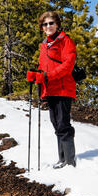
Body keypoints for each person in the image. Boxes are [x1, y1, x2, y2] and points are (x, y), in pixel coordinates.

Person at [27, 11, 77, 169]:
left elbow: (68, 66)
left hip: (63, 89)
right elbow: (43, 67)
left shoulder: (65, 41)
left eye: (51, 23)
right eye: (45, 24)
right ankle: (62, 159)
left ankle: (69, 161)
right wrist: (36, 76)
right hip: (50, 90)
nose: (48, 26)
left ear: (57, 24)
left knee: (63, 124)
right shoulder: (44, 45)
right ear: (42, 27)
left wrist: (48, 76)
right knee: (56, 124)